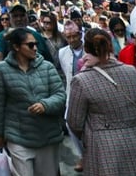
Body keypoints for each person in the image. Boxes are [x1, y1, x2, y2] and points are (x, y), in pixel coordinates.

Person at [67, 28, 136, 175]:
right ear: (110, 46)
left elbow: (74, 122)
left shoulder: (82, 80)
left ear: (86, 49)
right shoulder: (132, 71)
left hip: (102, 146)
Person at [0, 28, 65, 176]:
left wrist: (45, 105)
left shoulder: (47, 67)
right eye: (30, 45)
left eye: (35, 44)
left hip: (47, 136)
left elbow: (60, 95)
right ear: (16, 47)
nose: (35, 48)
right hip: (18, 137)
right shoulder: (1, 71)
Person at [56, 20, 85, 172]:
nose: (72, 40)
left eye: (75, 36)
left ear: (80, 34)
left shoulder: (90, 48)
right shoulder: (62, 53)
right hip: (71, 93)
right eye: (69, 37)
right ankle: (82, 155)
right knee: (70, 124)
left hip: (89, 93)